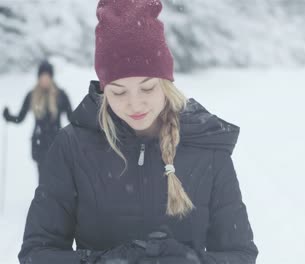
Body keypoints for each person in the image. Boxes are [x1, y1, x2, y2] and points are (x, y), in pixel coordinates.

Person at [18, 1, 258, 264]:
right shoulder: (72, 147)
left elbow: (241, 254)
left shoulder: (206, 145)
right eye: (118, 91)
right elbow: (36, 253)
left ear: (166, 83)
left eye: (147, 88)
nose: (134, 104)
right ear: (103, 88)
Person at [3, 60, 73, 183]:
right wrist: (9, 117)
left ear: (51, 77)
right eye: (42, 76)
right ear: (38, 77)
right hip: (39, 144)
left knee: (58, 180)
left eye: (47, 76)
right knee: (43, 182)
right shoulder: (31, 95)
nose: (44, 79)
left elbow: (72, 118)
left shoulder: (60, 95)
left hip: (56, 143)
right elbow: (20, 118)